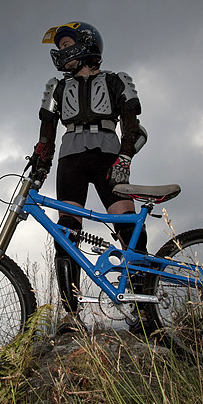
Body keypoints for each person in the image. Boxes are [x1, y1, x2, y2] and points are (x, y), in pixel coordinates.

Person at [31, 22, 148, 334]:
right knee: (65, 234)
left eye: (66, 44)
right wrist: (38, 168)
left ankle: (144, 309)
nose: (60, 51)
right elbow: (46, 136)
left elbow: (131, 125)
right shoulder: (56, 87)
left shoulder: (115, 81)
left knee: (128, 228)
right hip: (70, 159)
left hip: (109, 154)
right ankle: (71, 315)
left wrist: (125, 157)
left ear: (85, 45)